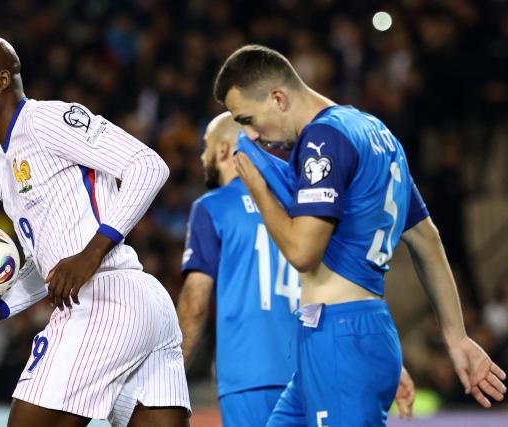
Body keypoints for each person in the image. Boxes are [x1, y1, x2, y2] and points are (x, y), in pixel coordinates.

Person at [213, 45, 507, 426]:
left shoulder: (323, 140)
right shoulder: (375, 132)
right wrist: (456, 336)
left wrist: (258, 189)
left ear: (279, 98)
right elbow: (426, 239)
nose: (253, 136)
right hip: (348, 334)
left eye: (248, 119)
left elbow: (303, 251)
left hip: (340, 335)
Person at [0, 36, 190, 427]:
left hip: (104, 300)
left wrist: (90, 255)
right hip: (136, 305)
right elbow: (51, 266)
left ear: (2, 79)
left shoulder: (47, 120)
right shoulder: (0, 167)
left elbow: (147, 166)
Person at [177, 112, 416, 426]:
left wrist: (170, 372)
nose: (202, 154)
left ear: (223, 149)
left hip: (248, 374)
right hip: (314, 361)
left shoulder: (211, 207)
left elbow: (195, 303)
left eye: (206, 145)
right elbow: (342, 276)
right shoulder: (301, 203)